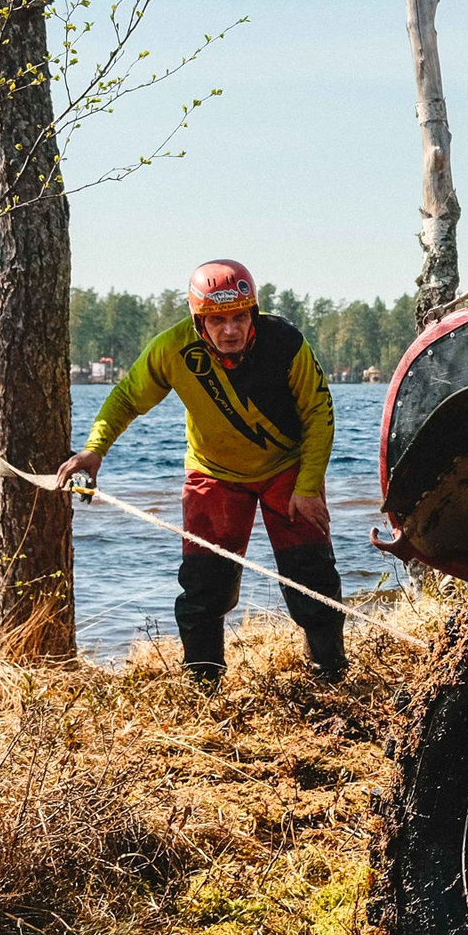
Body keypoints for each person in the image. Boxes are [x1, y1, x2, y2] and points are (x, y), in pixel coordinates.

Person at [57, 259, 346, 684]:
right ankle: (202, 684)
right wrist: (94, 449)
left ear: (253, 313)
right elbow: (127, 398)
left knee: (312, 577)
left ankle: (330, 674)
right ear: (198, 322)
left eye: (240, 317)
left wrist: (307, 486)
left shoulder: (286, 342)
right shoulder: (172, 349)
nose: (230, 331)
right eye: (217, 320)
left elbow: (319, 412)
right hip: (214, 473)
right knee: (204, 586)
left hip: (288, 469)